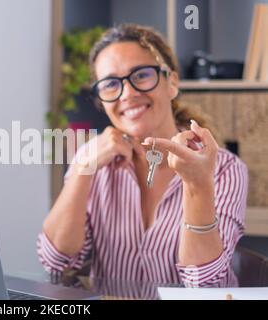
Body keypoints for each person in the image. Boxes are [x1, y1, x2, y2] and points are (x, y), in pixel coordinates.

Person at [37, 24, 248, 288]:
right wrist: (82, 167)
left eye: (142, 75)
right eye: (111, 84)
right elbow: (57, 264)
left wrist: (197, 186)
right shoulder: (92, 160)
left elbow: (203, 284)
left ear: (171, 82)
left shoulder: (224, 168)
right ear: (101, 99)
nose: (128, 93)